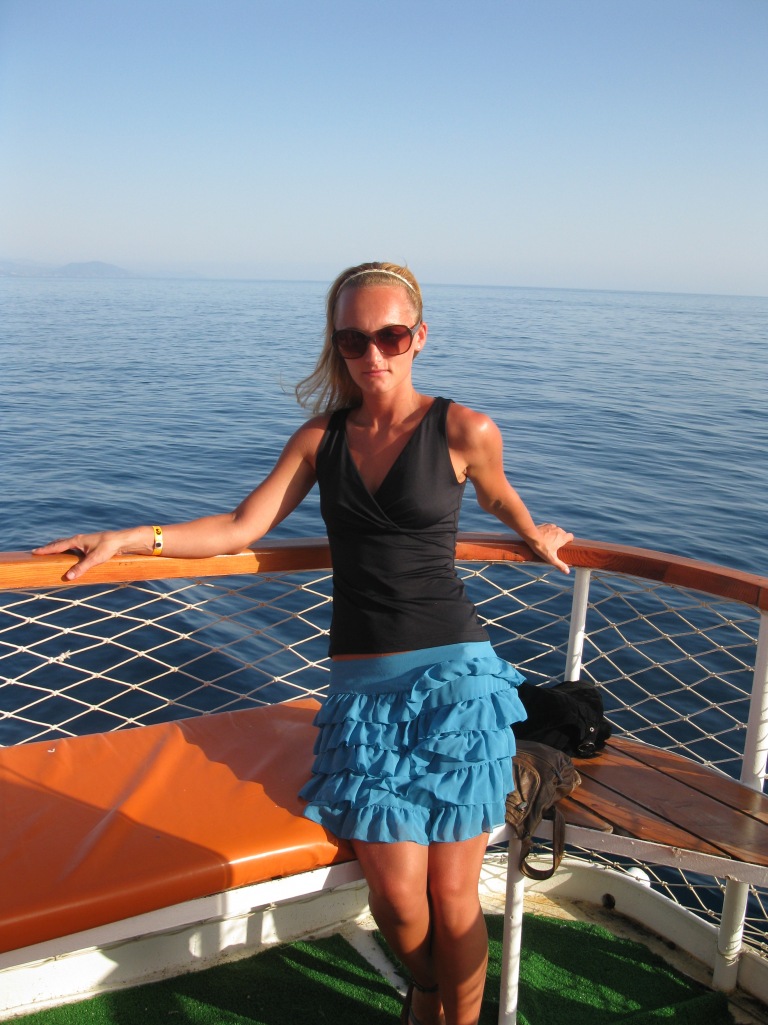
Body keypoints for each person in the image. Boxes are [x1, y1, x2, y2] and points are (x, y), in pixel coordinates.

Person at [35, 261, 573, 1025]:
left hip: (455, 681)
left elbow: (497, 494)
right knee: (397, 899)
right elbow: (240, 527)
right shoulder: (322, 439)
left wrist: (533, 531)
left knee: (454, 897)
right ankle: (426, 992)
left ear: (420, 336)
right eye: (353, 339)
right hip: (363, 697)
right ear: (337, 345)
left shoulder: (464, 428)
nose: (373, 354)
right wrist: (131, 537)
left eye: (390, 335)